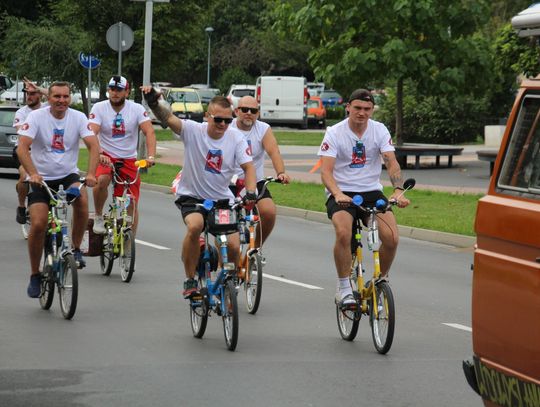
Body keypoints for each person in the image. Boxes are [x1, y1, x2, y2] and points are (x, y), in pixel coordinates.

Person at [141, 87, 257, 299]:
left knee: (232, 244)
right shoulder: (193, 130)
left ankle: (225, 279)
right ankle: (190, 279)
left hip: (222, 199)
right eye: (218, 120)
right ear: (207, 116)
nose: (223, 125)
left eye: (228, 120)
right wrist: (154, 104)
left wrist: (250, 192)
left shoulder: (236, 138)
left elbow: (249, 168)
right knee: (195, 226)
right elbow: (169, 118)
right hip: (192, 196)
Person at [318, 88, 410, 306]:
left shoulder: (379, 130)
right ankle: (343, 287)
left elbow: (390, 161)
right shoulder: (334, 132)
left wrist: (398, 190)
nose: (362, 113)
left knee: (392, 237)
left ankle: (380, 280)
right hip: (342, 192)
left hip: (370, 191)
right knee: (343, 232)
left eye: (367, 109)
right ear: (348, 107)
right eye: (357, 108)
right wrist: (337, 193)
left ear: (372, 110)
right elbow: (326, 172)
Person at [17, 81, 99, 298]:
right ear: (49, 98)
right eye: (57, 97)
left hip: (68, 174)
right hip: (41, 179)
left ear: (69, 98)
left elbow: (94, 145)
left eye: (65, 97)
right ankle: (35, 274)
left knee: (81, 199)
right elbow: (22, 147)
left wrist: (91, 174)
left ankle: (75, 248)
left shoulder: (79, 117)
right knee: (38, 224)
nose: (61, 101)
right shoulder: (37, 117)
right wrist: (32, 173)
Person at [90, 76, 156, 237]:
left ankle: (129, 241)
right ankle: (98, 215)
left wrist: (151, 157)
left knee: (131, 202)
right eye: (112, 89)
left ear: (127, 92)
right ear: (108, 90)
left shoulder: (136, 109)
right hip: (105, 155)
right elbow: (92, 133)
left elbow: (149, 132)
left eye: (119, 90)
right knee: (102, 181)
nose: (115, 93)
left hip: (128, 159)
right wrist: (99, 153)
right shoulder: (99, 108)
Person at [230, 95, 290, 247]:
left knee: (269, 212)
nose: (249, 113)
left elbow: (274, 151)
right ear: (237, 111)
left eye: (253, 110)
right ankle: (222, 263)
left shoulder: (263, 129)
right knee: (224, 224)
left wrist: (281, 172)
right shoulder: (227, 127)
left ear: (258, 113)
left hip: (255, 181)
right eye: (245, 109)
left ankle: (254, 248)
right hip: (228, 182)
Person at [12, 79, 48, 225]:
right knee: (24, 175)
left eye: (33, 94)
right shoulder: (21, 112)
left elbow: (55, 95)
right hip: (24, 149)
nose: (29, 97)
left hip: (43, 150)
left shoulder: (47, 108)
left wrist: (39, 88)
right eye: (27, 93)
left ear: (40, 95)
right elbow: (22, 137)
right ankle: (21, 205)